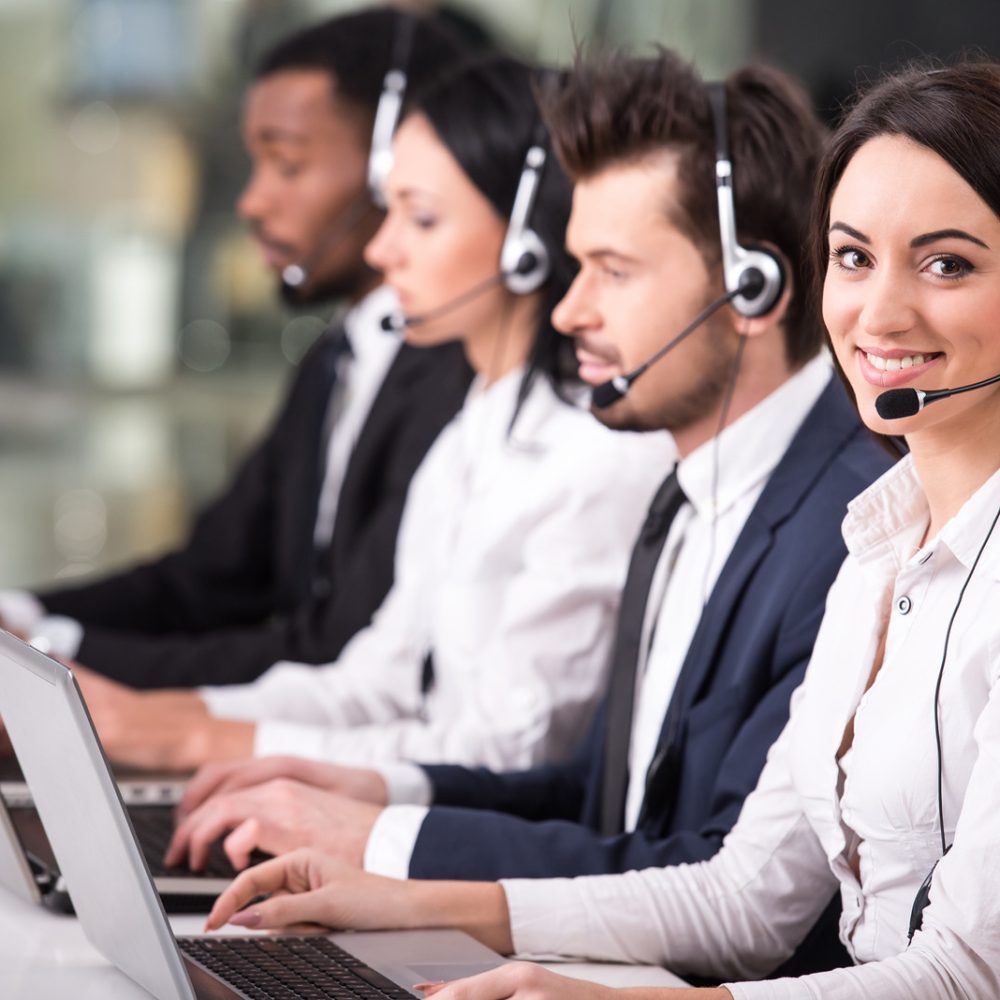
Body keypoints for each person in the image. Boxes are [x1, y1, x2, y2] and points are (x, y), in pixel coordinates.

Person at [203, 60, 1000, 998]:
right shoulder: (874, 547)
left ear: (752, 288)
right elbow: (742, 894)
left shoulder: (837, 519)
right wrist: (399, 898)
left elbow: (967, 972)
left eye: (948, 264)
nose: (881, 312)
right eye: (854, 258)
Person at [70, 55, 668, 775]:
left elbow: (510, 749)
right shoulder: (473, 429)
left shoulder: (597, 457)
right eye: (389, 211)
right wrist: (165, 716)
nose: (383, 250)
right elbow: (376, 682)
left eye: (422, 217)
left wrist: (197, 740)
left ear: (527, 242)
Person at [0, 8, 476, 688]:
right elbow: (210, 578)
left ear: (394, 169)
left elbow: (337, 646)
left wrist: (48, 653)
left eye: (289, 164)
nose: (252, 202)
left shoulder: (464, 372)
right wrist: (20, 617)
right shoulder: (336, 359)